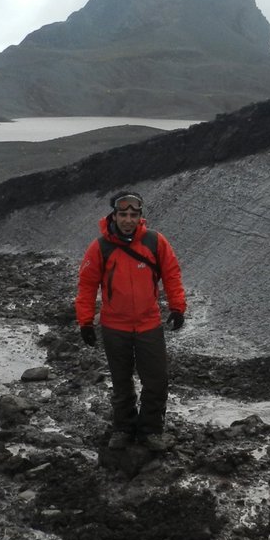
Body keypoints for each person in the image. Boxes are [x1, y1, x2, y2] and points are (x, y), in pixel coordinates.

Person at [76, 191, 186, 451]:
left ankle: (150, 430)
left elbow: (172, 275)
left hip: (149, 324)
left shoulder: (155, 242)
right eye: (123, 214)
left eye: (133, 215)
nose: (127, 219)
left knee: (156, 380)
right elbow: (87, 286)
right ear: (114, 215)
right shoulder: (100, 247)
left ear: (140, 217)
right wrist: (85, 322)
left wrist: (178, 307)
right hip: (115, 327)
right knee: (121, 381)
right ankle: (123, 428)